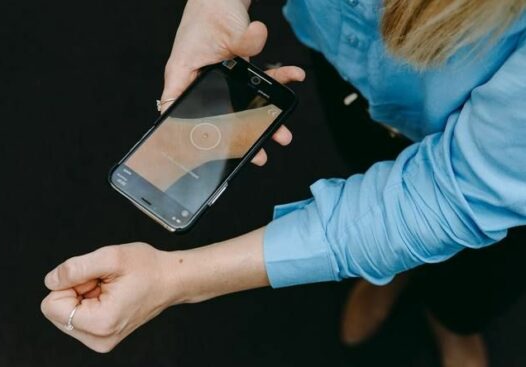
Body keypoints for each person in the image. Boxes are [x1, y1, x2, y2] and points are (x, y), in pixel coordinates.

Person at [40, 1, 526, 365]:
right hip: (349, 74)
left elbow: (450, 198)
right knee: (361, 157)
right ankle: (391, 272)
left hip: (499, 176)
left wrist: (178, 280)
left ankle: (454, 323)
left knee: (475, 278)